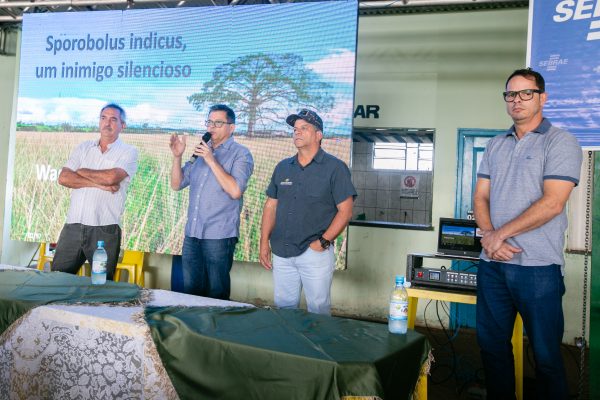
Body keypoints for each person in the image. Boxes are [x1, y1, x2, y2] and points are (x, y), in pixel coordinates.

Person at [473, 68, 582, 400]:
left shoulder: (561, 141)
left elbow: (552, 203)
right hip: (493, 266)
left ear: (542, 98)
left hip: (538, 268)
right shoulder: (495, 144)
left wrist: (497, 236)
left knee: (546, 357)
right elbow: (480, 197)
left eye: (526, 93)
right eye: (510, 94)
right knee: (492, 348)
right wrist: (490, 236)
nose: (516, 100)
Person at [259, 109, 356, 315]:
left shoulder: (335, 168)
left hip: (314, 253)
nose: (297, 132)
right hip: (282, 252)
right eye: (295, 129)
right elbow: (270, 206)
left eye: (304, 128)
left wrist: (323, 242)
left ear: (318, 135)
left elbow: (345, 212)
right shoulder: (283, 167)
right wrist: (264, 242)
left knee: (318, 310)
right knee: (284, 309)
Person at [169, 104, 254, 300]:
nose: (211, 127)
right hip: (192, 234)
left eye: (218, 123)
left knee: (216, 293)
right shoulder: (201, 152)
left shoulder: (241, 154)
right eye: (209, 122)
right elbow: (177, 184)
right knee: (191, 291)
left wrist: (211, 159)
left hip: (219, 235)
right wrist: (177, 157)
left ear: (231, 127)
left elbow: (235, 191)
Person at [53, 103, 139, 280]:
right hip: (73, 226)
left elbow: (111, 178)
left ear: (123, 125)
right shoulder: (84, 147)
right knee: (57, 280)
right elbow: (64, 178)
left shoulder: (129, 151)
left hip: (105, 229)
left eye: (113, 119)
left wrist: (82, 171)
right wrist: (101, 185)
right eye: (103, 118)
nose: (107, 123)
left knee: (101, 284)